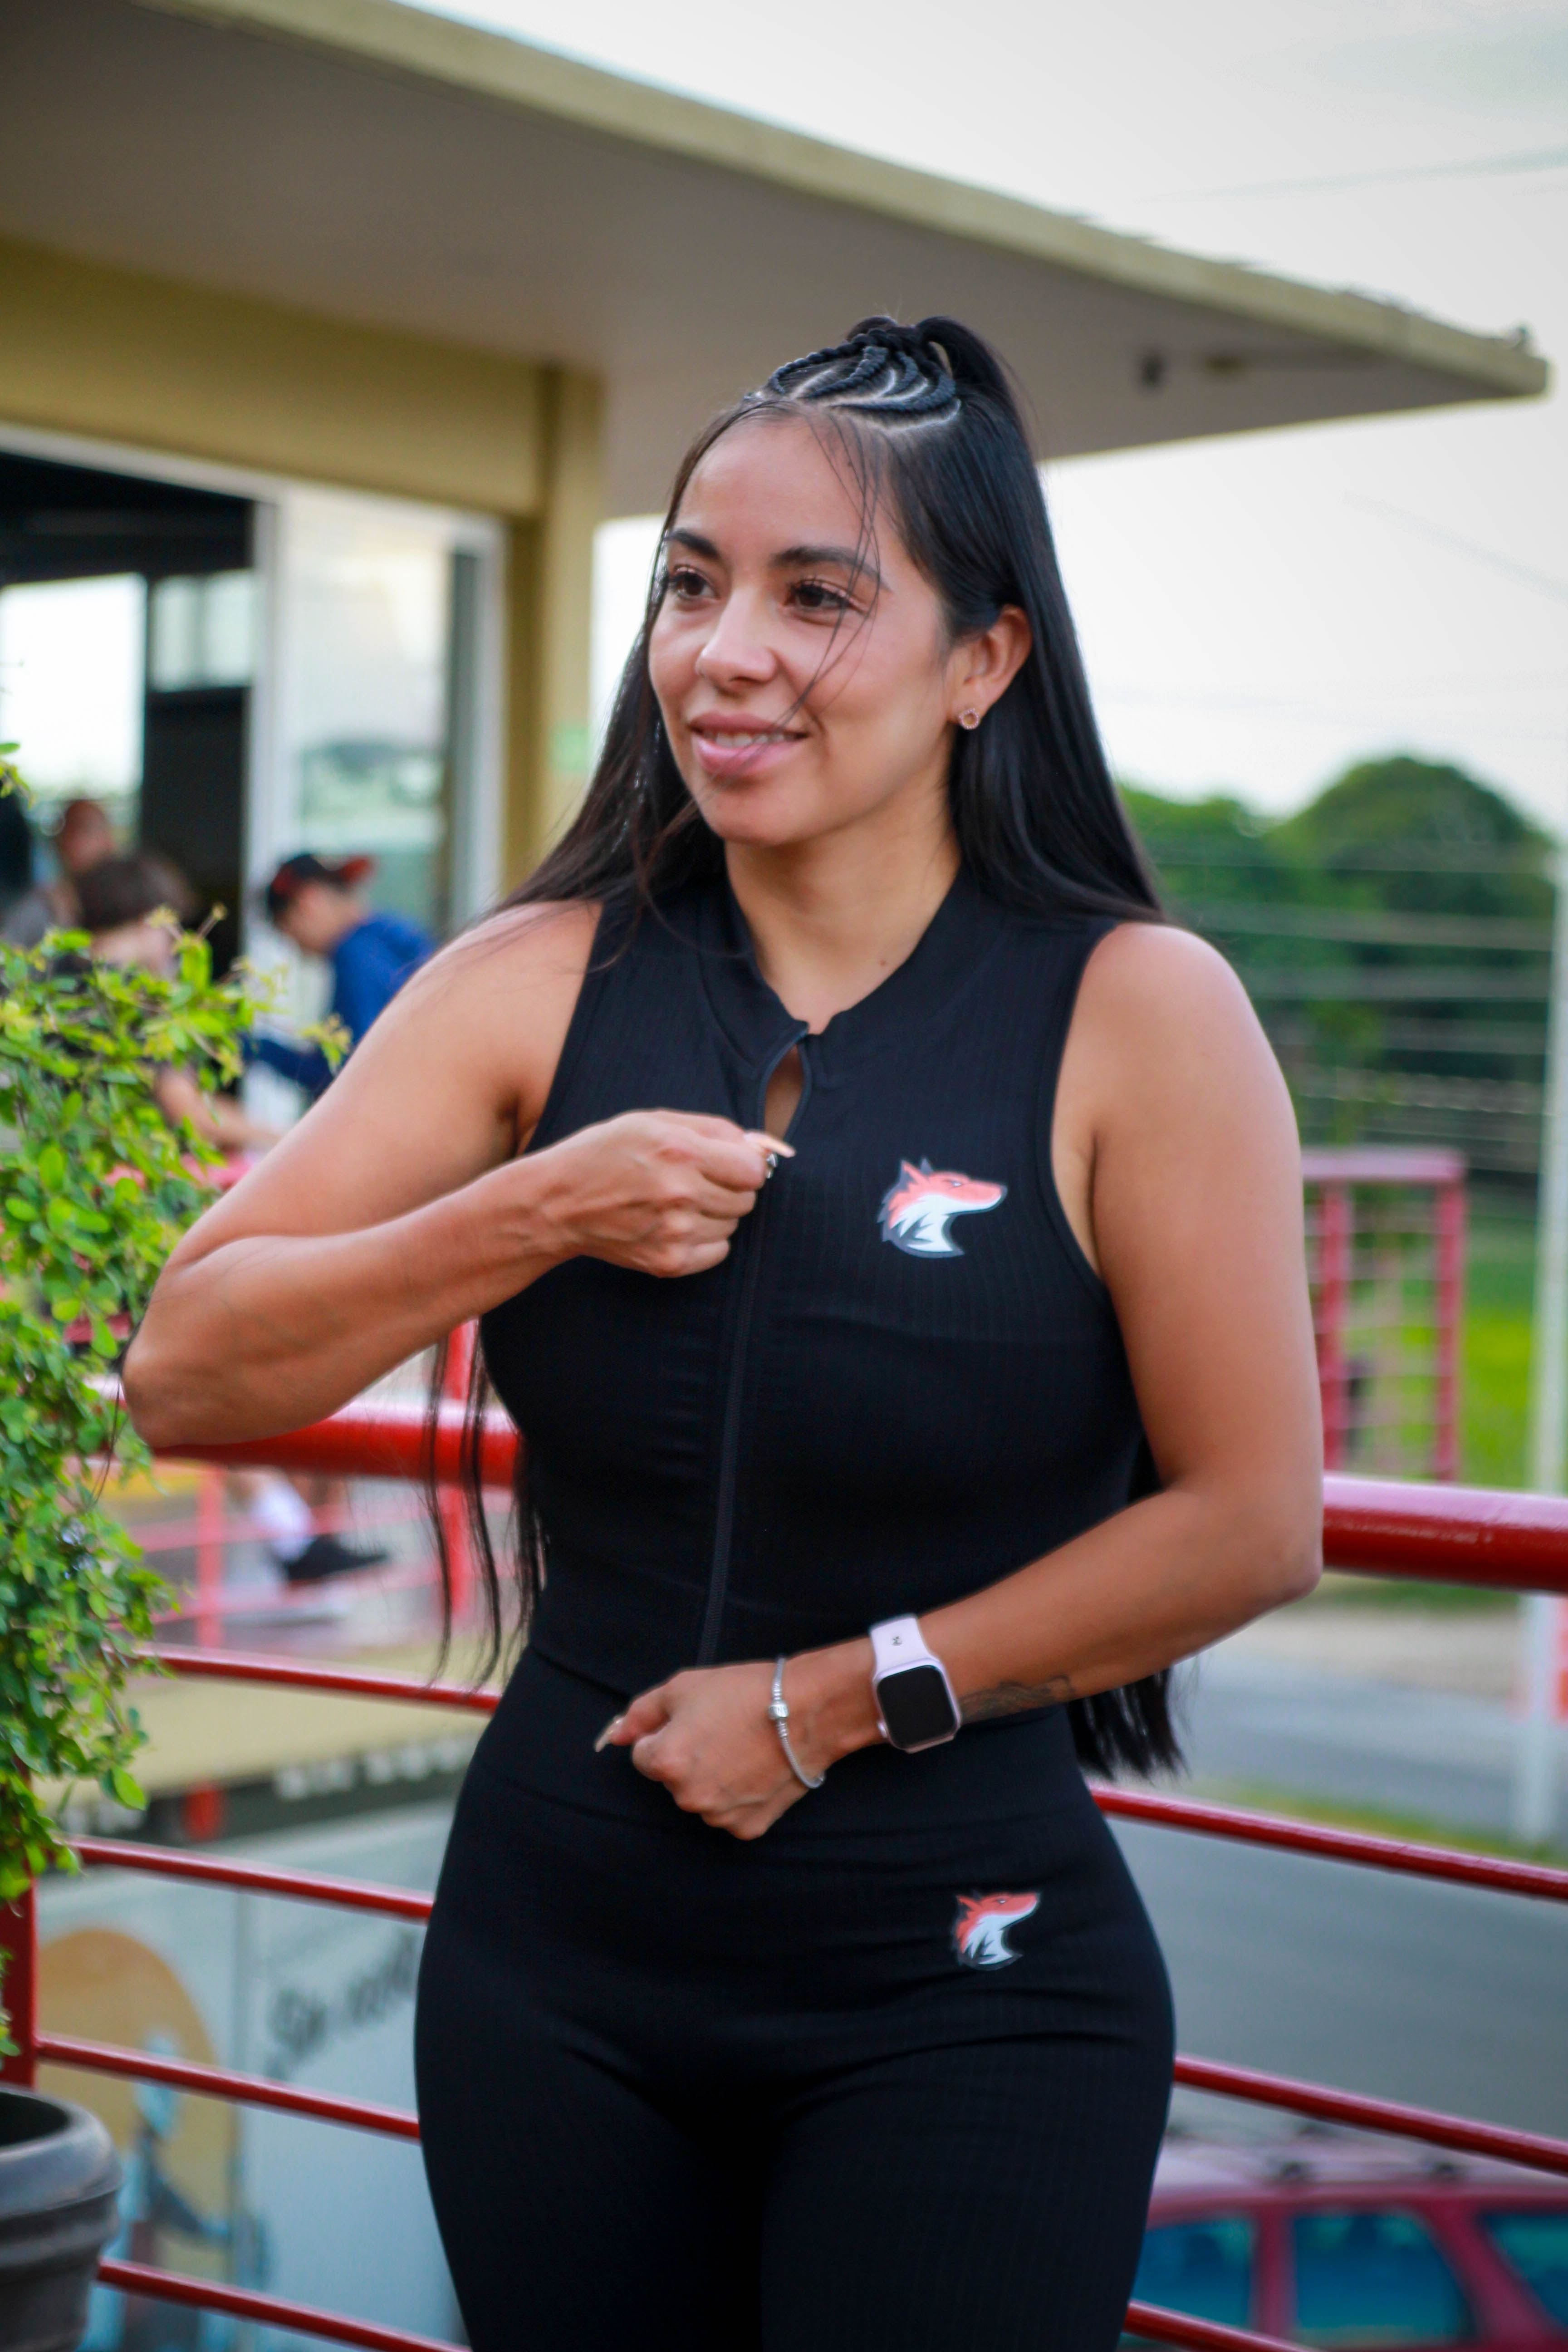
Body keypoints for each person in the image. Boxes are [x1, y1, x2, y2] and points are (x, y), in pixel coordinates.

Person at [124, 318, 1322, 2352]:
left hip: (968, 1978)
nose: (720, 649)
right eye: (688, 582)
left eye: (813, 594)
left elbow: (1246, 1518)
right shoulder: (531, 981)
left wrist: (827, 1702)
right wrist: (527, 1209)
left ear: (981, 661)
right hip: (554, 1969)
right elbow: (191, 1363)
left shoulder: (1137, 1010)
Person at [250, 853, 431, 1099]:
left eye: (288, 932)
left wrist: (257, 1048)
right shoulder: (393, 934)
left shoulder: (355, 956)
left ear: (307, 903)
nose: (299, 950)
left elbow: (351, 1075)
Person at [3, 794, 116, 945]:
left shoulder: (133, 900)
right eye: (70, 831)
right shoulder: (39, 906)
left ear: (108, 841)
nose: (77, 842)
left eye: (87, 830)